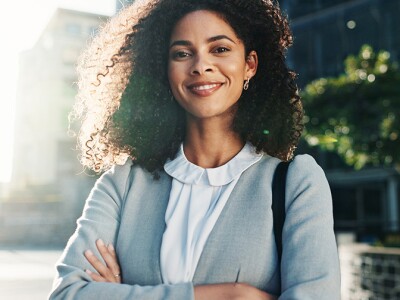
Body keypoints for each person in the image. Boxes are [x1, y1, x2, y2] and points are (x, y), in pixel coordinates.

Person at [49, 0, 341, 299]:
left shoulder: (295, 182)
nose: (201, 65)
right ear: (165, 70)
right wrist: (232, 295)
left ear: (249, 65)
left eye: (220, 49)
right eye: (182, 54)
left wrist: (125, 294)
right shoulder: (122, 183)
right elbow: (68, 294)